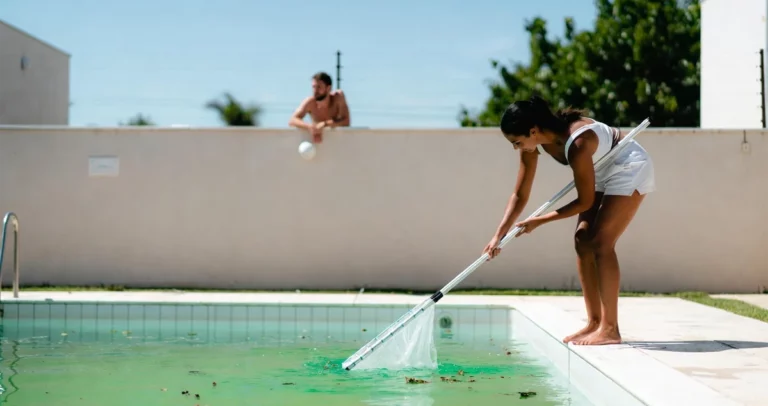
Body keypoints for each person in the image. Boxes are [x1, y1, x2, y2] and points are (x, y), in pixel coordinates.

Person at [482, 95, 655, 346]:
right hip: (601, 169)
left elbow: (584, 202)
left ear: (533, 130)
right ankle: (594, 322)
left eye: (517, 142)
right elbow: (520, 194)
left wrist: (539, 221)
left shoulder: (579, 142)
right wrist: (499, 234)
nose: (516, 148)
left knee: (600, 242)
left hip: (628, 166)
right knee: (581, 240)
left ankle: (610, 328)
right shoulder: (532, 146)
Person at [289, 72, 351, 143]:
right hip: (318, 142)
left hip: (337, 142)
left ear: (328, 88)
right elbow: (292, 120)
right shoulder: (310, 102)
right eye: (314, 87)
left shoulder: (337, 98)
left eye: (319, 87)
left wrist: (325, 124)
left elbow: (346, 121)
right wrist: (310, 127)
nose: (315, 91)